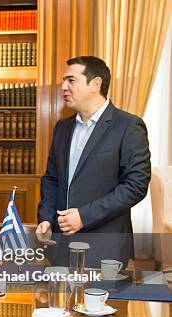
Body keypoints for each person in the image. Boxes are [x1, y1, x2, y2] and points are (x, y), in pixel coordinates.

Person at [36, 56, 151, 268]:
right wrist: (46, 218)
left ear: (95, 84)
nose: (64, 87)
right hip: (60, 248)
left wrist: (84, 216)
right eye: (64, 81)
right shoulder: (62, 128)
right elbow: (51, 179)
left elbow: (136, 186)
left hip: (106, 249)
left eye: (71, 80)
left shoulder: (128, 126)